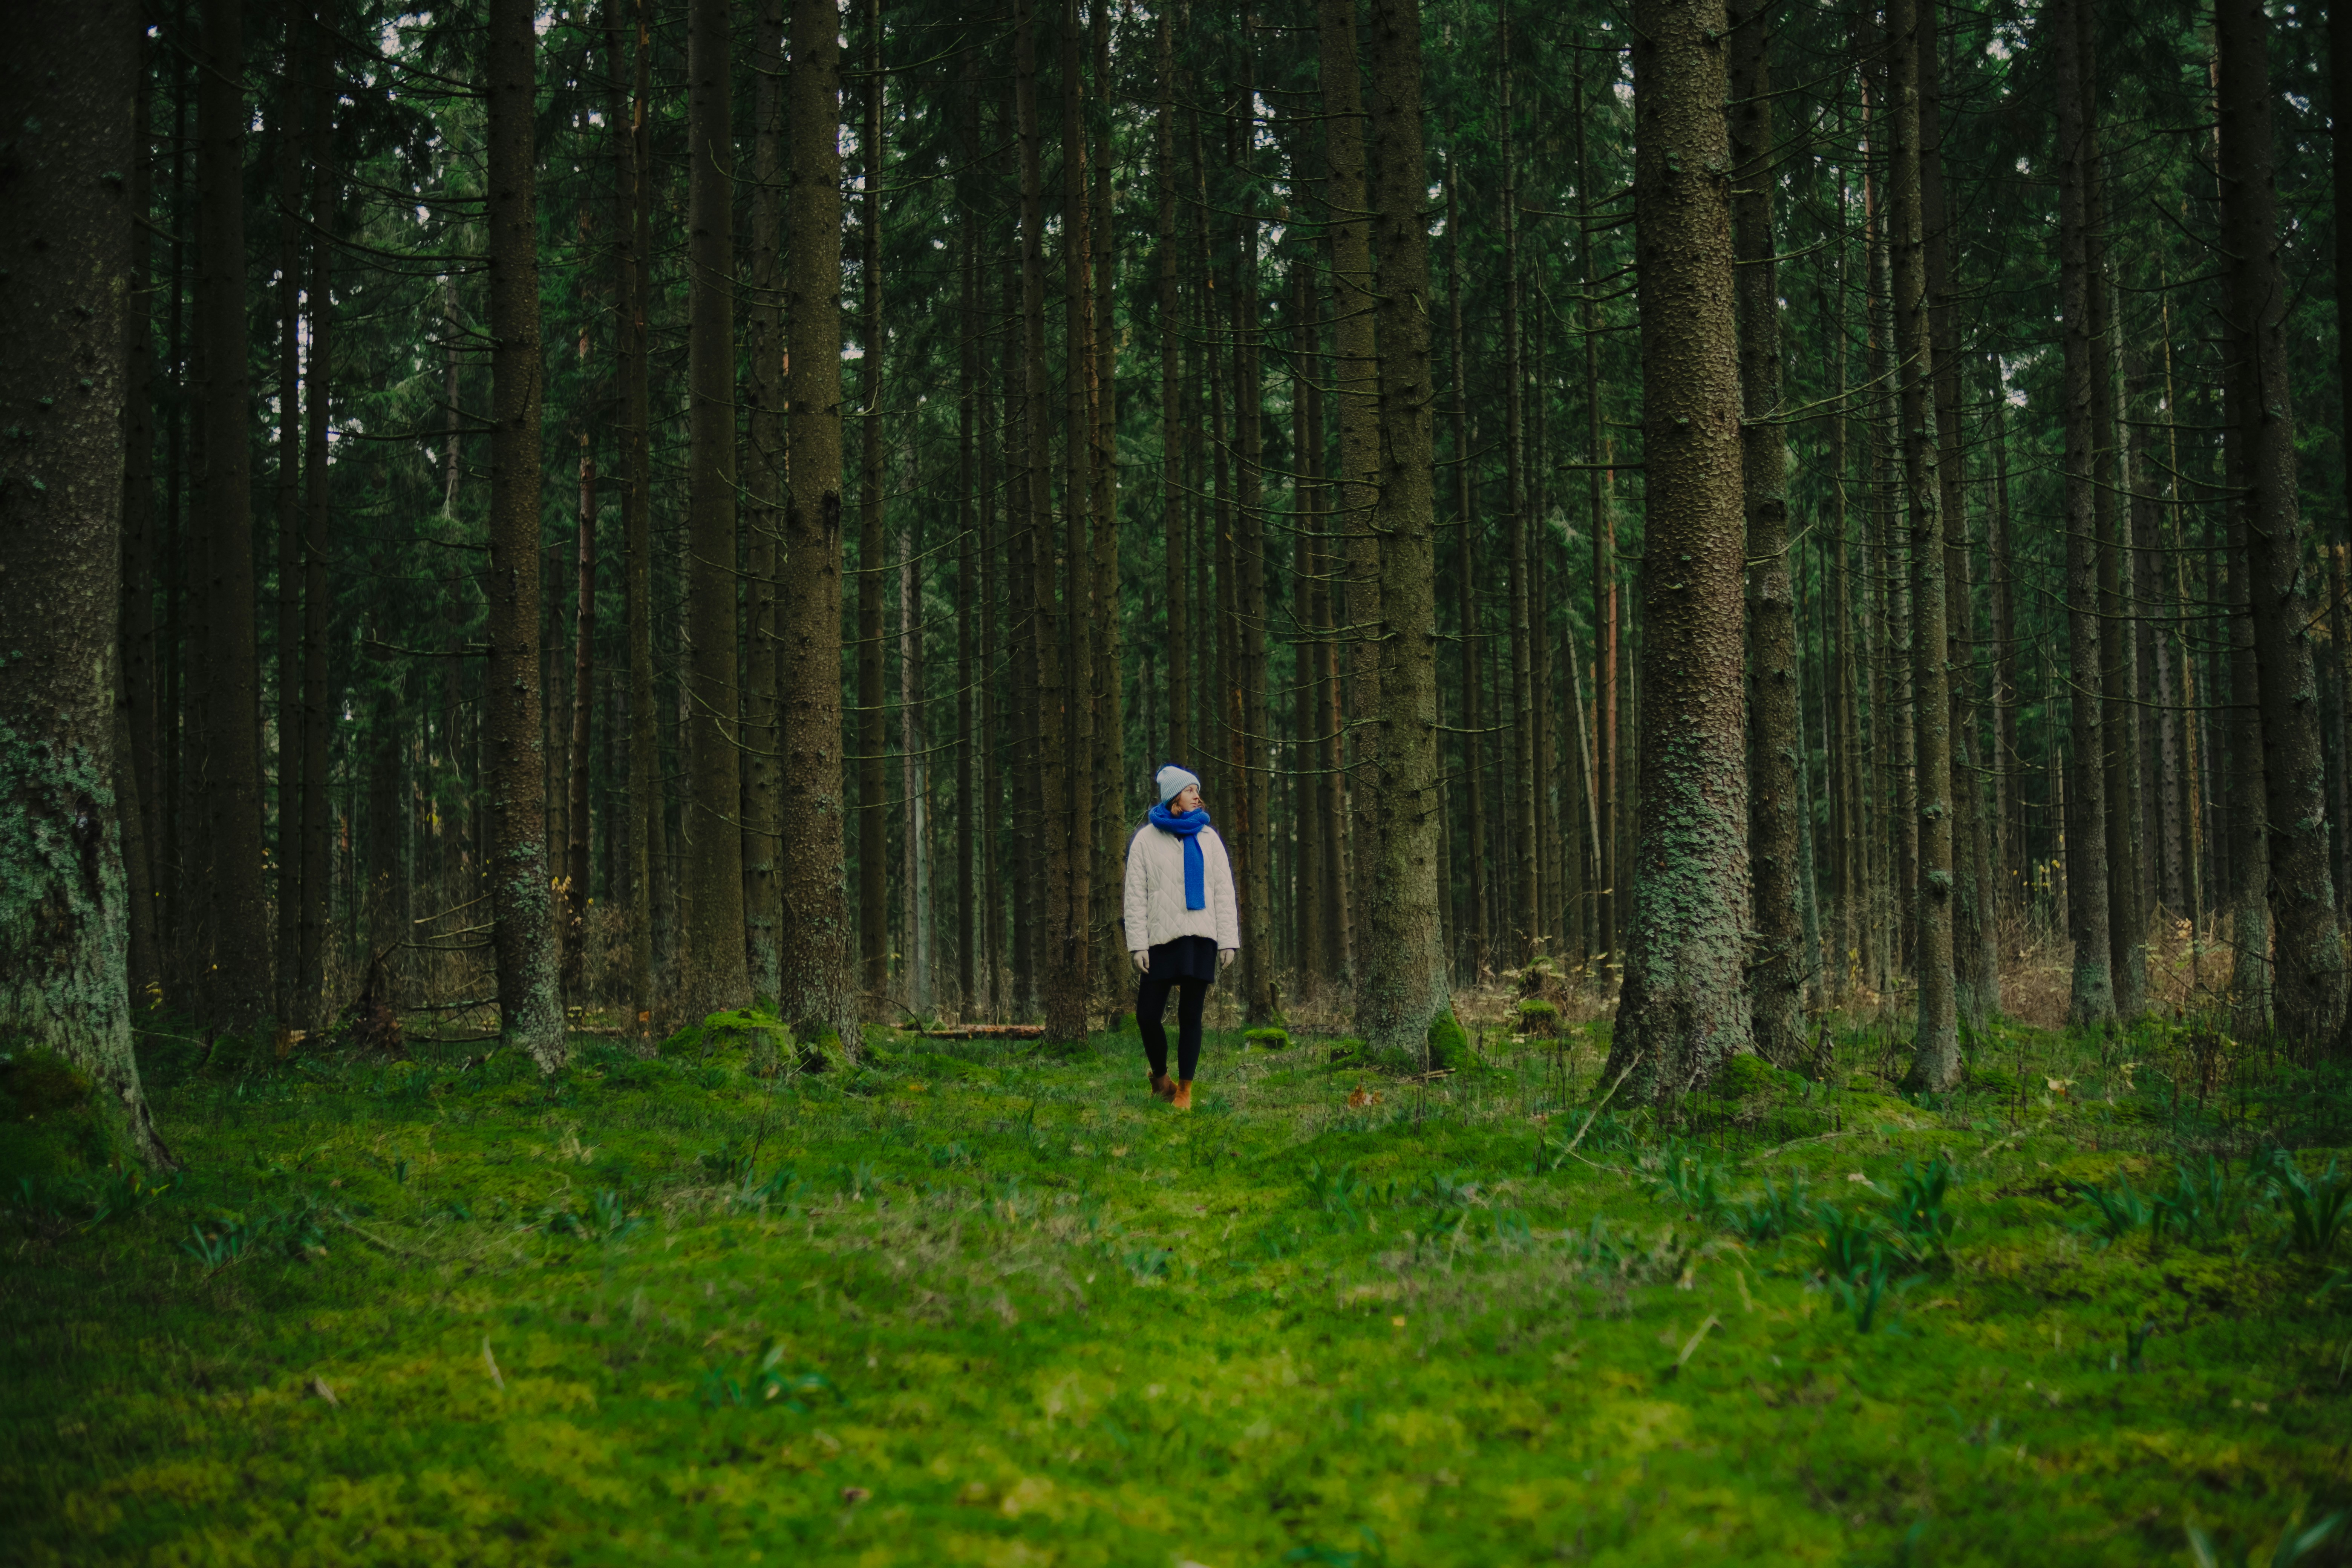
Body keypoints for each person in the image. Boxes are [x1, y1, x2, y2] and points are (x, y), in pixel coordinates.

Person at [1121, 764, 1239, 1110]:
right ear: (1174, 798)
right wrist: (1138, 945)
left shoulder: (1209, 838)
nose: (1197, 796)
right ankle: (1161, 1082)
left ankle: (1185, 1091)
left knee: (1191, 1017)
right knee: (1147, 1016)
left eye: (1197, 790)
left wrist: (1228, 940)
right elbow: (1135, 896)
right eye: (1190, 790)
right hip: (1160, 938)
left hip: (1200, 937)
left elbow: (1223, 892)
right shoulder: (1145, 840)